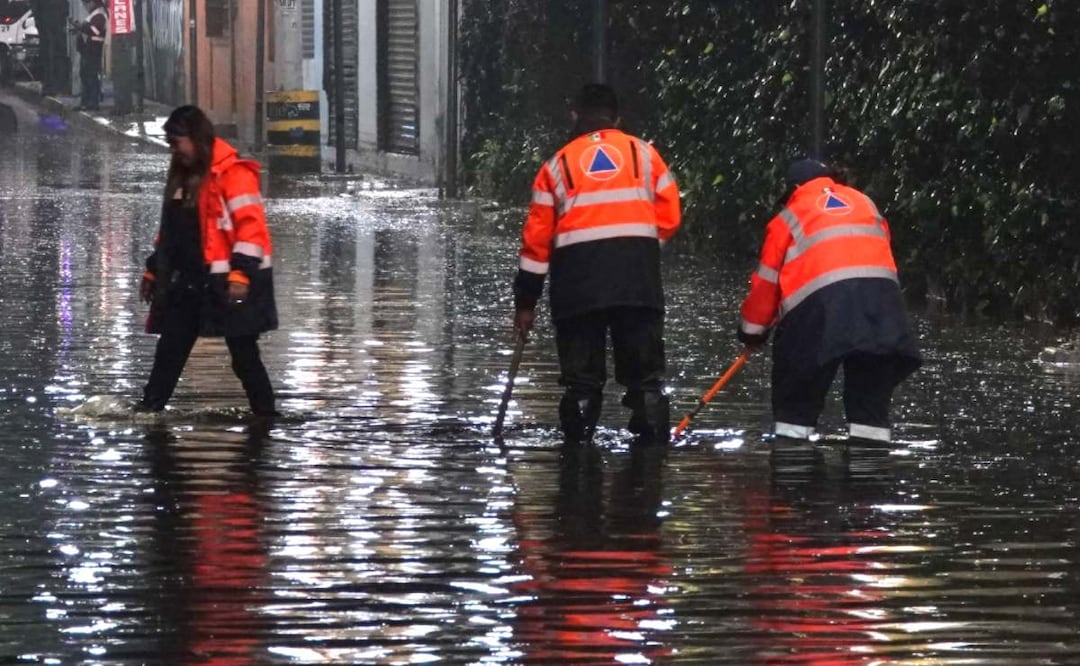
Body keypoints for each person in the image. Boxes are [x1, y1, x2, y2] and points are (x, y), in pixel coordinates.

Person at [512, 84, 681, 444]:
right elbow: (670, 215)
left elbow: (536, 245)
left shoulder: (556, 166)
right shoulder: (644, 154)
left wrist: (526, 304)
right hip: (637, 281)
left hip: (577, 285)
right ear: (617, 118)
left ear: (574, 115)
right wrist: (639, 248)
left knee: (581, 384)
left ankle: (576, 470)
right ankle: (652, 470)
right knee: (646, 381)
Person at [737, 158, 921, 468]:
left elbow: (766, 285)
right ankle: (868, 493)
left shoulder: (788, 217)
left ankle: (792, 491)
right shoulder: (865, 203)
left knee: (794, 412)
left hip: (818, 314)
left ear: (794, 189)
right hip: (882, 310)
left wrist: (752, 333)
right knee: (870, 417)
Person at [137, 105, 278, 415]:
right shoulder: (183, 178)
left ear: (196, 138)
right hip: (190, 283)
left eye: (177, 142)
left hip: (229, 283)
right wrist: (154, 270)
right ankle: (149, 411)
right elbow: (172, 233)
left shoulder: (233, 174)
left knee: (243, 355)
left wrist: (241, 275)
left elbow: (252, 230)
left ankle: (266, 416)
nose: (174, 150)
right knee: (170, 350)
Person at [70, 0, 106, 110]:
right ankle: (85, 101)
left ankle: (93, 102)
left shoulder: (99, 14)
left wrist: (81, 26)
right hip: (88, 49)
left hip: (94, 50)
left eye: (86, 4)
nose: (85, 7)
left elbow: (95, 30)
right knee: (85, 75)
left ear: (93, 3)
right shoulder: (94, 14)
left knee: (91, 76)